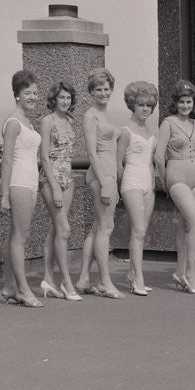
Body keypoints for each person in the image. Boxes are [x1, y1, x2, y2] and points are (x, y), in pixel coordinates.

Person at [0, 69, 45, 307]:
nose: (33, 97)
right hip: (18, 182)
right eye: (28, 93)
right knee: (20, 237)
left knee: (15, 236)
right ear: (17, 94)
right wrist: (5, 194)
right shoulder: (14, 123)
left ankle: (9, 287)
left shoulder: (27, 121)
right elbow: (6, 160)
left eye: (36, 93)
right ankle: (24, 290)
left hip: (30, 182)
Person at [154, 80, 195, 294]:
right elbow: (158, 155)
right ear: (175, 103)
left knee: (186, 225)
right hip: (177, 175)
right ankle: (190, 274)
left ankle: (179, 271)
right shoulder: (168, 123)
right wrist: (164, 181)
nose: (186, 105)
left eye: (189, 101)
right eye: (182, 102)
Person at [76, 68, 124, 298]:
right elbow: (92, 153)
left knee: (97, 228)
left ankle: (84, 278)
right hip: (100, 174)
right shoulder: (90, 116)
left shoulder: (106, 115)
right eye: (98, 89)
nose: (103, 93)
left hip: (108, 173)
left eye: (106, 88)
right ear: (91, 92)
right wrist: (105, 181)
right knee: (106, 228)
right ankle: (105, 281)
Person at [38, 81, 81, 301]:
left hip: (68, 176)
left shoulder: (70, 120)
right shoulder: (47, 121)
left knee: (56, 229)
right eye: (61, 98)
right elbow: (44, 156)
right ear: (54, 99)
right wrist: (54, 187)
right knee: (64, 229)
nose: (65, 101)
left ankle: (48, 278)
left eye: (68, 98)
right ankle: (66, 281)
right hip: (50, 177)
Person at [117, 81, 159, 296]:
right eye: (141, 104)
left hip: (147, 183)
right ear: (132, 105)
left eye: (149, 105)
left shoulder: (150, 130)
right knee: (139, 229)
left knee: (141, 232)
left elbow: (151, 160)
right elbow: (118, 163)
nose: (145, 109)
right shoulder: (125, 131)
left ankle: (132, 273)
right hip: (131, 180)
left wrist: (152, 182)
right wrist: (120, 188)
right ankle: (138, 276)